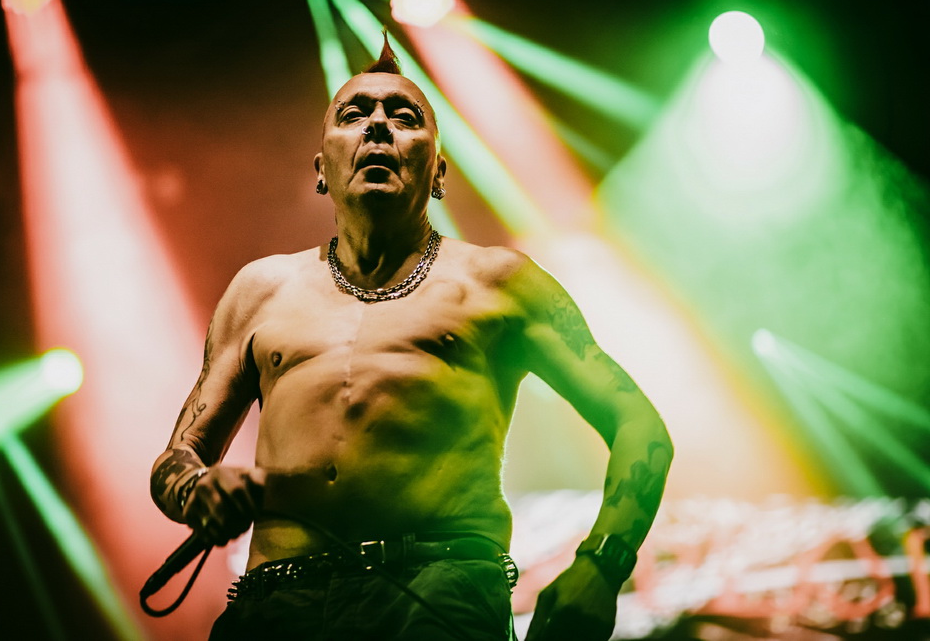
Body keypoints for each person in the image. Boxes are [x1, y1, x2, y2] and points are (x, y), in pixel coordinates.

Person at [150, 41, 673, 641]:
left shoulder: (500, 283)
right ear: (321, 170)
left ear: (439, 172)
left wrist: (602, 565)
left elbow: (639, 425)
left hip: (438, 596)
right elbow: (177, 457)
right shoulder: (260, 290)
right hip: (277, 606)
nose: (378, 125)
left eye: (404, 117)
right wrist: (198, 488)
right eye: (354, 114)